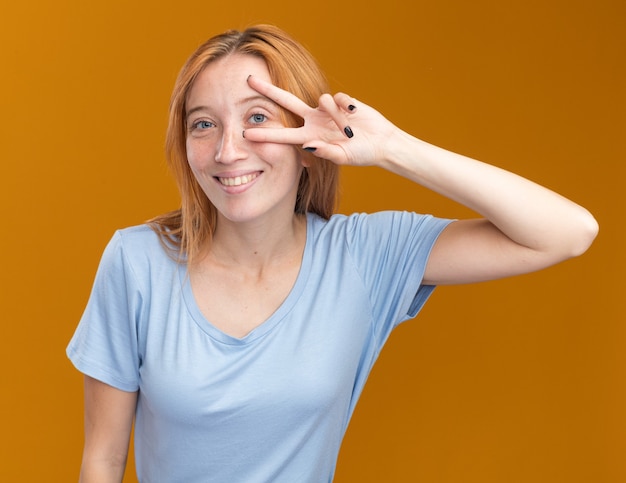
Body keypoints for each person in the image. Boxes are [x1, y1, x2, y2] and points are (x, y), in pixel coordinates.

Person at [66, 24, 598, 483]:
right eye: (204, 124)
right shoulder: (136, 263)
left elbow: (567, 232)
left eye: (258, 119)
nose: (228, 151)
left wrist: (391, 148)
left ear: (307, 142)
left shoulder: (364, 257)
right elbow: (103, 460)